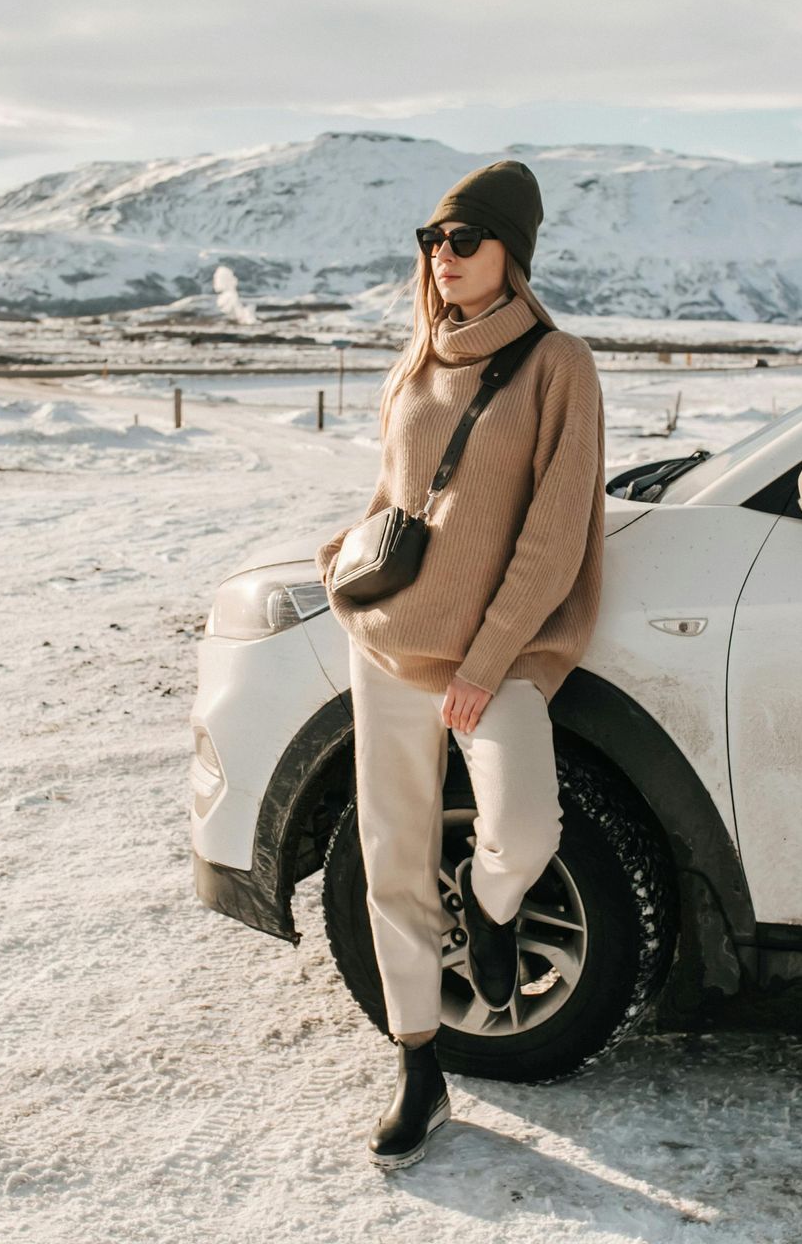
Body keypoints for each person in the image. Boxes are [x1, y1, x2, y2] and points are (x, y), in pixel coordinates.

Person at [314, 159, 606, 1170]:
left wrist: (485, 662)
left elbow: (553, 536)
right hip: (389, 645)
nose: (443, 257)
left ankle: (489, 911)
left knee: (524, 826)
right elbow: (397, 494)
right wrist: (342, 562)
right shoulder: (417, 356)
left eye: (464, 239)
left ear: (510, 253)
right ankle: (420, 1066)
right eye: (432, 240)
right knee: (392, 858)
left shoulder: (558, 362)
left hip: (494, 661)